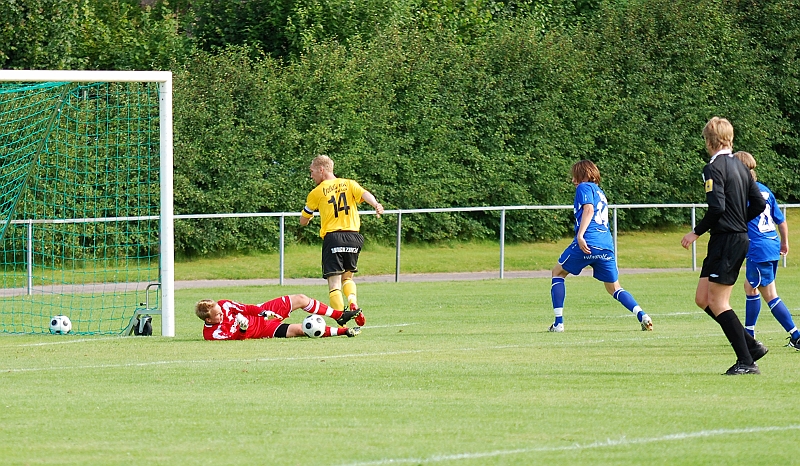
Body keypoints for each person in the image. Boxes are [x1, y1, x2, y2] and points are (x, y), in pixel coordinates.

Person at [680, 117, 768, 375]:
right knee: (702, 299)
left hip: (727, 240)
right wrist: (739, 220)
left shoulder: (714, 168)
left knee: (718, 302)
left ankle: (747, 361)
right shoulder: (741, 166)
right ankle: (750, 345)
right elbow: (759, 204)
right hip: (730, 238)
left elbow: (716, 207)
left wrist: (695, 232)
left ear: (709, 141)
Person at [549, 159, 653, 333]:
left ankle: (558, 324)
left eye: (575, 175)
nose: (573, 180)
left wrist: (581, 235)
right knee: (614, 287)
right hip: (606, 245)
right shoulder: (600, 192)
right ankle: (642, 315)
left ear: (581, 175)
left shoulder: (584, 187)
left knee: (557, 272)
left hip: (589, 240)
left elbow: (589, 210)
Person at [300, 154, 384, 328]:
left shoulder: (317, 192)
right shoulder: (349, 184)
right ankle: (353, 302)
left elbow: (303, 219)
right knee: (348, 277)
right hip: (354, 237)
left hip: (334, 237)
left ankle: (342, 323)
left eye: (312, 171)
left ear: (321, 170)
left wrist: (308, 219)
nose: (311, 176)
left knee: (334, 284)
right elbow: (365, 194)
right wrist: (376, 204)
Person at [732, 151, 799, 350]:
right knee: (750, 287)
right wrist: (784, 242)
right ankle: (749, 333)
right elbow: (781, 220)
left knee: (769, 295)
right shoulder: (764, 190)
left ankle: (796, 335)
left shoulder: (743, 192)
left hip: (758, 247)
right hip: (771, 243)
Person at [195, 294, 360, 340]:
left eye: (220, 310)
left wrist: (263, 312)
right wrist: (243, 329)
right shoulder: (212, 334)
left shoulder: (224, 305)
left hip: (263, 312)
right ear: (208, 320)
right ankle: (344, 331)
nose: (222, 313)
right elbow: (237, 337)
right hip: (264, 330)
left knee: (301, 299)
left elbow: (246, 308)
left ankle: (339, 315)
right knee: (303, 330)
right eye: (217, 315)